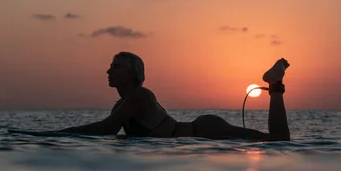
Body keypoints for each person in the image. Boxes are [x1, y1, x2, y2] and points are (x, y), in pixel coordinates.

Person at [57, 52, 290, 141]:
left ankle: (275, 84)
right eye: (110, 66)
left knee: (278, 140)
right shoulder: (122, 104)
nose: (109, 71)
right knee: (275, 140)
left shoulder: (141, 95)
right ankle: (274, 83)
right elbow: (108, 132)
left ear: (133, 73)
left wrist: (52, 136)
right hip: (198, 134)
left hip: (204, 131)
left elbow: (106, 129)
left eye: (116, 67)